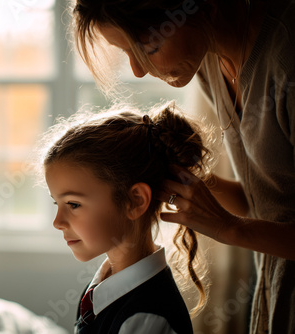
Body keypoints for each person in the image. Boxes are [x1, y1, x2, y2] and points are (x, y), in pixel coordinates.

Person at [71, 0, 295, 333]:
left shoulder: (286, 61)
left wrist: (230, 229)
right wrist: (196, 183)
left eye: (150, 46)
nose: (138, 69)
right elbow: (268, 200)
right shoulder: (209, 61)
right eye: (127, 53)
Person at [38, 102, 210, 333]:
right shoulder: (101, 288)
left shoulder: (145, 320)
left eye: (73, 204)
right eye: (56, 203)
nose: (57, 222)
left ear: (135, 201)